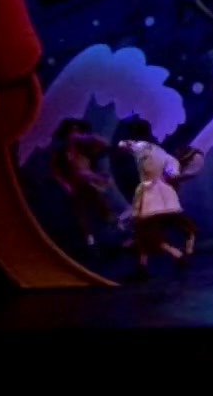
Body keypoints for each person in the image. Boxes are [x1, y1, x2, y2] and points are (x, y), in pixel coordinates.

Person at [119, 138, 202, 279]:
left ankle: (177, 255)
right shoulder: (168, 158)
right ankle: (143, 265)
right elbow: (173, 174)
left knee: (146, 232)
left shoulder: (142, 147)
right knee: (142, 232)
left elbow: (123, 145)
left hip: (152, 199)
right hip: (165, 200)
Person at [49, 118, 116, 252]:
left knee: (101, 205)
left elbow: (104, 145)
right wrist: (66, 185)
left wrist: (87, 137)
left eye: (77, 130)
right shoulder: (61, 152)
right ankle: (90, 241)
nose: (74, 133)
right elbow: (55, 171)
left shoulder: (85, 148)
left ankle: (115, 227)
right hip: (75, 187)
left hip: (90, 184)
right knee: (81, 215)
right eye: (71, 130)